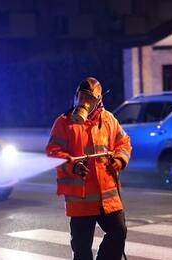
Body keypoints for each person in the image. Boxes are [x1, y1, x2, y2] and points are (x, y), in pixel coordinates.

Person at [45, 77, 132, 260]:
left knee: (118, 232)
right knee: (82, 250)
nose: (84, 102)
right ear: (76, 97)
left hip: (107, 198)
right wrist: (74, 166)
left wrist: (119, 159)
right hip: (81, 200)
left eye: (89, 99)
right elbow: (53, 153)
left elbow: (123, 142)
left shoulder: (108, 119)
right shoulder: (64, 123)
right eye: (81, 97)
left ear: (99, 101)